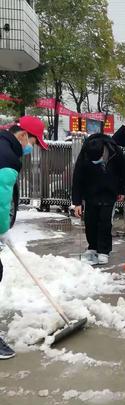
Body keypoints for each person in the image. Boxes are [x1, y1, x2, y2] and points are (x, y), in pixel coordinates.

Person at [0, 116, 48, 359]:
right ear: (22, 135)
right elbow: (0, 201)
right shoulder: (8, 159)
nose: (32, 148)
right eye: (34, 142)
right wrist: (2, 229)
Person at [72, 134, 125, 265]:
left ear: (103, 151)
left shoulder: (115, 151)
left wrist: (121, 190)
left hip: (109, 191)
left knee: (105, 222)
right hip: (91, 192)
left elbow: (124, 172)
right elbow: (77, 178)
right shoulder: (86, 152)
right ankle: (92, 247)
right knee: (90, 221)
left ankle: (104, 250)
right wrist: (77, 202)